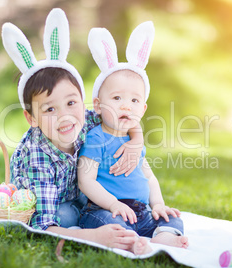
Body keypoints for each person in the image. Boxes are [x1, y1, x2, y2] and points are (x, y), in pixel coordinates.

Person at [2, 8, 143, 250]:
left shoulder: (86, 119)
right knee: (67, 216)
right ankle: (85, 226)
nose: (65, 117)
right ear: (31, 118)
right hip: (51, 202)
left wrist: (136, 141)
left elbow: (124, 117)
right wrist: (96, 237)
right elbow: (41, 226)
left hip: (78, 192)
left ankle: (89, 216)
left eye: (70, 103)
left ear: (83, 100)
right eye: (49, 110)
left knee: (94, 201)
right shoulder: (38, 157)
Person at [78, 21, 189, 255]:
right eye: (117, 98)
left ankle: (163, 237)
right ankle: (129, 241)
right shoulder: (97, 138)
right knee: (110, 224)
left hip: (141, 212)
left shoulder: (134, 141)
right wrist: (113, 204)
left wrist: (157, 204)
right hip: (105, 209)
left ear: (143, 108)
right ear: (97, 105)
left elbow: (149, 176)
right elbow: (86, 180)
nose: (126, 106)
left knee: (172, 218)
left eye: (134, 101)